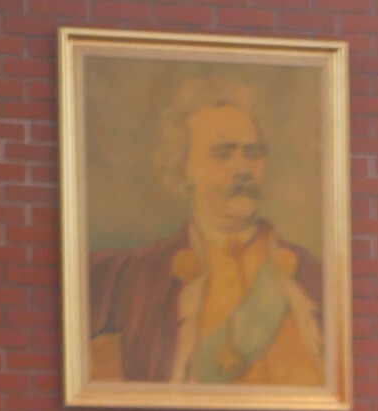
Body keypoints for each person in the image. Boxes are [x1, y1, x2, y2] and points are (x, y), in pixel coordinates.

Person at [89, 80, 324, 389]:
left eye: (253, 152)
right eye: (223, 154)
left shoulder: (310, 275)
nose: (243, 168)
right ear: (184, 167)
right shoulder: (139, 277)